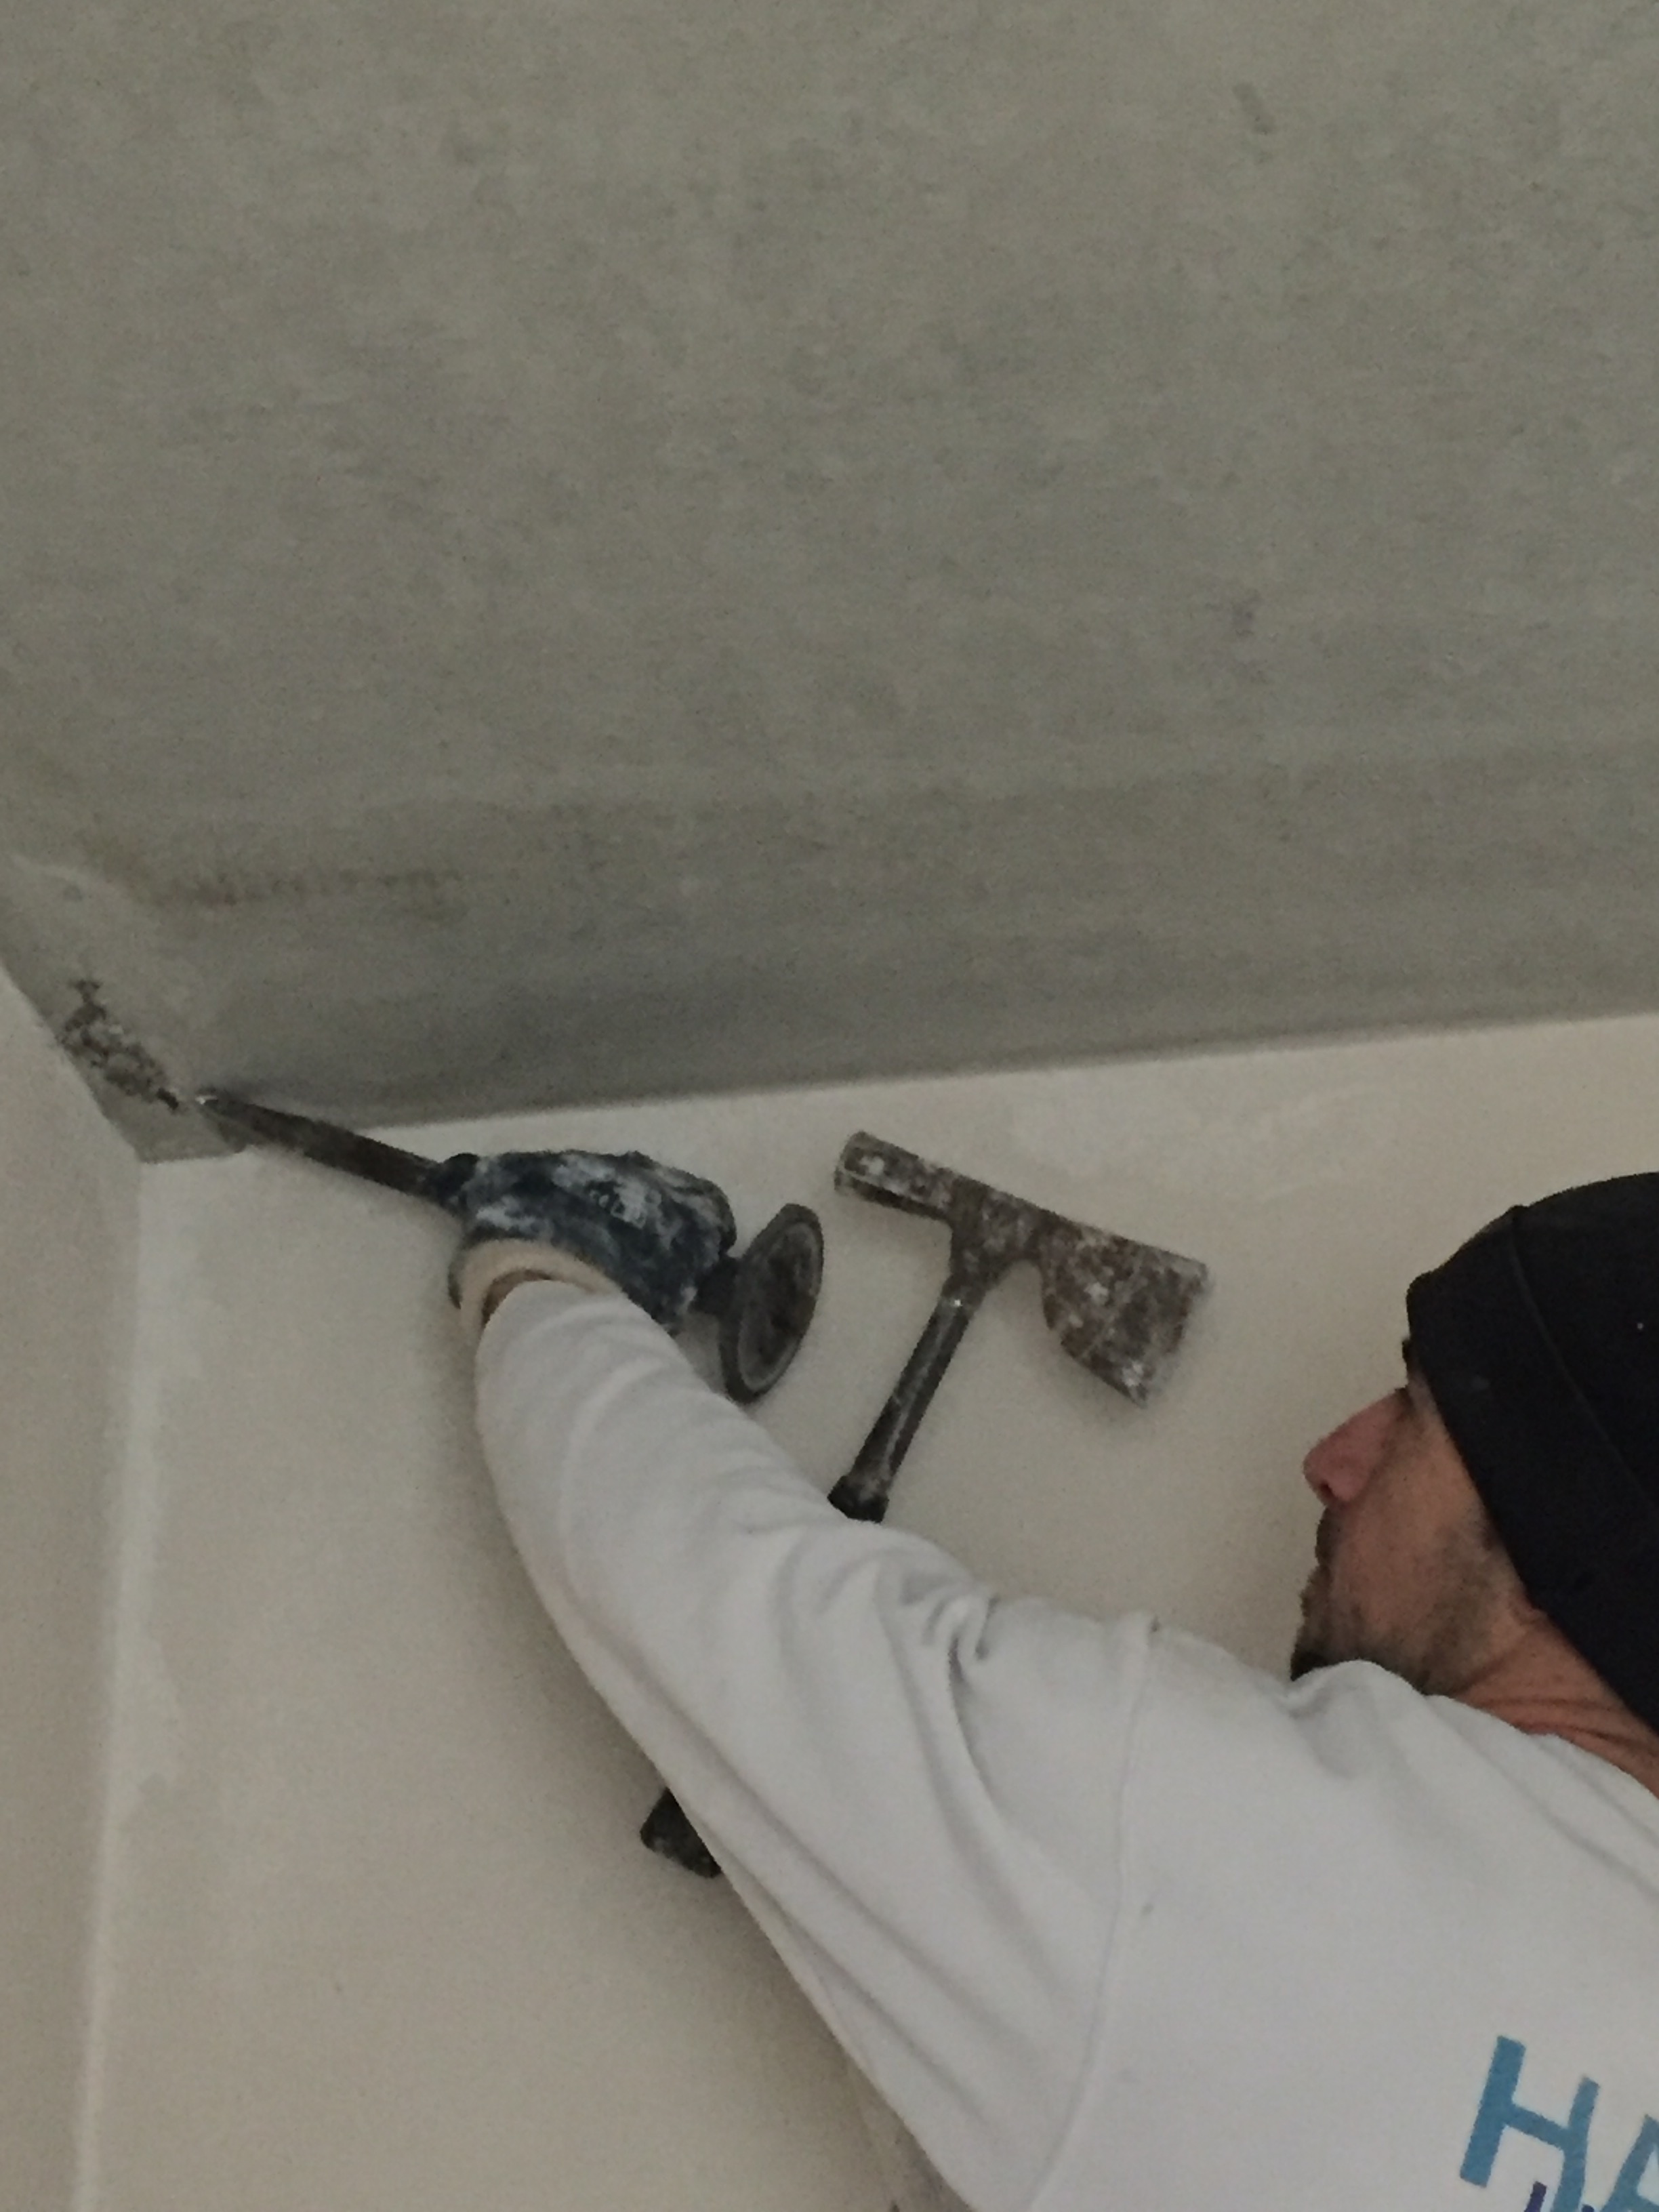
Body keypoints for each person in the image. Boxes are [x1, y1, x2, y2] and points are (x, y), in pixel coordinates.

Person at [445, 1152, 1659, 2212]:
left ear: (1562, 1543)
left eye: (1416, 1415)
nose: (1334, 1459)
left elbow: (706, 1591)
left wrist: (549, 1275)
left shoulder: (1244, 1851)